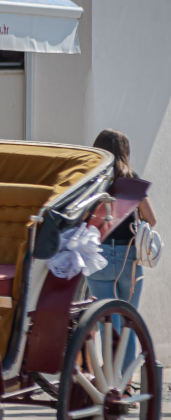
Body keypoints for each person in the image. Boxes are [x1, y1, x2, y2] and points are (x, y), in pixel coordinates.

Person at [88, 129, 157, 365]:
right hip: (129, 257)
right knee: (127, 323)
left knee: (108, 325)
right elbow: (152, 219)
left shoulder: (91, 178)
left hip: (99, 256)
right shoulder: (130, 179)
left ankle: (112, 380)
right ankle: (125, 388)